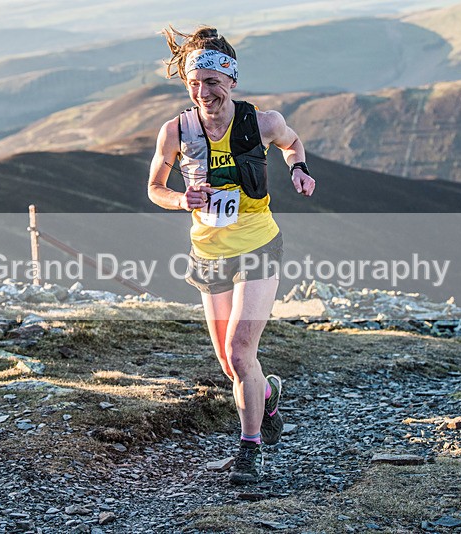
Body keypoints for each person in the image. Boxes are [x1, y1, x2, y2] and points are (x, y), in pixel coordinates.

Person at [147, 26, 315, 484]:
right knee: (230, 362)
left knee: (242, 353)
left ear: (232, 81)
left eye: (213, 83)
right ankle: (270, 393)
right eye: (195, 83)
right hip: (207, 251)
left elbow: (292, 143)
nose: (204, 93)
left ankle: (249, 450)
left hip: (259, 244)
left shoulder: (262, 122)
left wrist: (298, 169)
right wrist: (182, 200)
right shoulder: (175, 131)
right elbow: (155, 188)